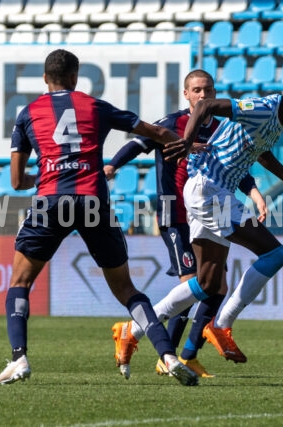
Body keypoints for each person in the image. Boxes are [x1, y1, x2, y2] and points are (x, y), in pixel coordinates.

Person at [0, 49, 198, 386]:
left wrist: (41, 178)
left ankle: (19, 358)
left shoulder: (28, 114)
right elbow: (151, 130)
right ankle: (167, 355)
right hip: (92, 200)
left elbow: (16, 181)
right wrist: (185, 143)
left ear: (45, 78)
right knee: (127, 290)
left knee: (20, 282)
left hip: (50, 201)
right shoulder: (94, 106)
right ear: (75, 77)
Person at [115, 76, 283, 373]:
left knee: (207, 284)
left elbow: (261, 153)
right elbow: (204, 105)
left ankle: (132, 331)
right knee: (274, 254)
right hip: (210, 191)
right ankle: (221, 324)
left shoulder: (274, 121)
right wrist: (187, 142)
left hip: (211, 192)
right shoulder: (264, 108)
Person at [106, 70, 267, 379]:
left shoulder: (223, 128)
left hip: (212, 211)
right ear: (186, 94)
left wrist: (255, 193)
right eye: (196, 90)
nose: (202, 95)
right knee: (192, 282)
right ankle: (155, 346)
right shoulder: (171, 124)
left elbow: (237, 169)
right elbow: (139, 145)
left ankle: (188, 354)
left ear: (215, 91)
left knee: (217, 286)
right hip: (176, 213)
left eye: (207, 89)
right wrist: (113, 164)